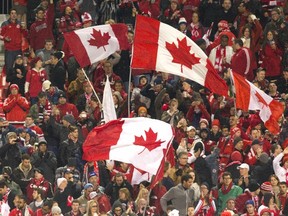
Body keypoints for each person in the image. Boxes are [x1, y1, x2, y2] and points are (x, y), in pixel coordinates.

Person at [0, 8, 28, 73]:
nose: (14, 15)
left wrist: (24, 29)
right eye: (12, 13)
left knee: (19, 68)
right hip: (9, 51)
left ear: (17, 15)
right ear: (9, 15)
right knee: (9, 68)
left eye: (15, 13)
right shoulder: (5, 24)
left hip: (18, 50)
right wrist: (4, 38)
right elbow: (0, 35)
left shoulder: (20, 23)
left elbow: (25, 35)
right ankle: (9, 82)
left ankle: (18, 83)